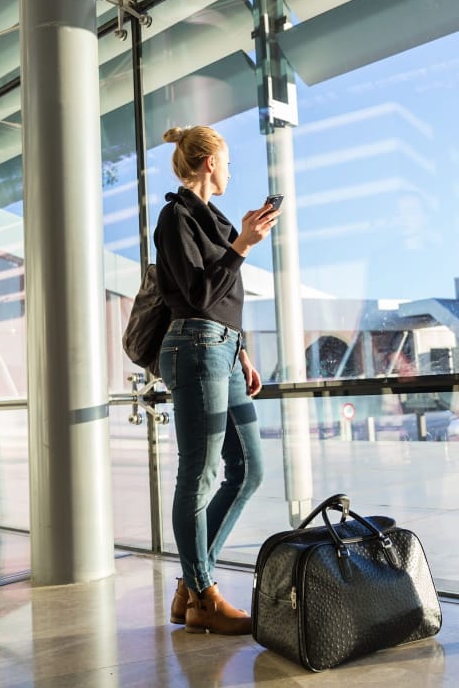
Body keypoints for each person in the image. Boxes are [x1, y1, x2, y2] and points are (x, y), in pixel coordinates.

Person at [153, 125, 279, 635]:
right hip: (195, 346)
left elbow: (225, 300)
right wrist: (243, 245)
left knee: (248, 469)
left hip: (223, 350)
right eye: (226, 162)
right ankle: (202, 595)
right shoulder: (176, 216)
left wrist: (242, 350)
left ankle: (191, 581)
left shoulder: (216, 220)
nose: (230, 172)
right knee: (200, 475)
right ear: (209, 163)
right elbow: (201, 294)